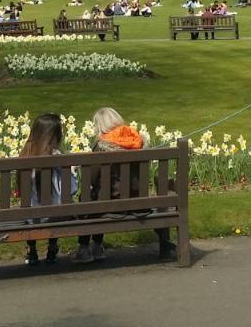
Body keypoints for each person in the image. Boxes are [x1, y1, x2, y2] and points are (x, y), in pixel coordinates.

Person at [71, 107, 176, 264]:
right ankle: (97, 246)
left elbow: (91, 179)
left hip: (111, 205)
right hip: (139, 203)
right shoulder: (138, 142)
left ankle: (85, 248)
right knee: (97, 195)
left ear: (100, 126)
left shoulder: (101, 146)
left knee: (87, 197)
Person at [19, 113, 77, 266]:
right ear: (56, 136)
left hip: (31, 216)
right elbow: (71, 189)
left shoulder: (25, 155)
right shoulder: (57, 158)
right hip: (54, 216)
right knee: (57, 206)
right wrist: (72, 173)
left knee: (30, 208)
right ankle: (52, 247)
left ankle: (32, 250)